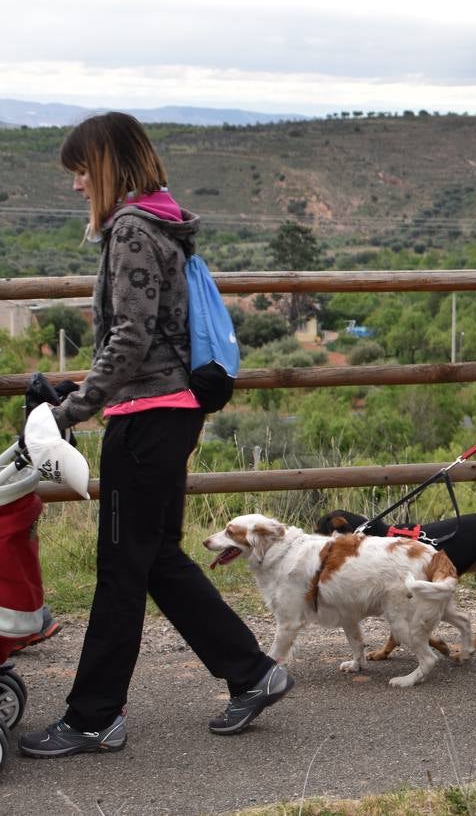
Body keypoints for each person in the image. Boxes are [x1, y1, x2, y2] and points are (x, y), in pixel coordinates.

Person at [19, 113, 292, 759]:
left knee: (120, 568)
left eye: (82, 172)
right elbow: (146, 336)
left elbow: (132, 335)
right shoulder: (163, 223)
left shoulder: (134, 231)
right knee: (155, 557)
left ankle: (92, 718)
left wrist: (71, 409)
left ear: (108, 167)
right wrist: (81, 397)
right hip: (166, 415)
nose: (77, 186)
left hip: (145, 421)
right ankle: (254, 673)